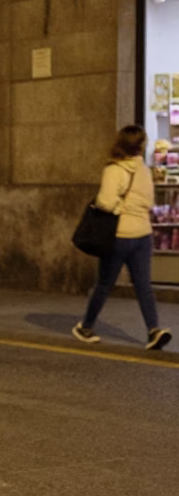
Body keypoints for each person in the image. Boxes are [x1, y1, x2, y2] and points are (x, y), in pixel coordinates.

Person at [73, 125, 171, 350]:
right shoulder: (144, 170)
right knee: (143, 285)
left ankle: (85, 327)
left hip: (119, 235)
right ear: (141, 145)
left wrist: (120, 208)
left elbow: (104, 202)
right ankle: (153, 330)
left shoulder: (114, 170)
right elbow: (150, 203)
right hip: (143, 236)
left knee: (105, 284)